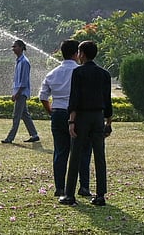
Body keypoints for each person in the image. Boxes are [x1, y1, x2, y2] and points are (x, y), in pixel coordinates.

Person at [59, 41, 112, 207]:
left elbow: (74, 99)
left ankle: (69, 195)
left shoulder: (78, 72)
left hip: (82, 117)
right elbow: (107, 100)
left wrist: (71, 121)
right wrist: (108, 123)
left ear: (82, 54)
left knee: (75, 155)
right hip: (98, 117)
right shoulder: (104, 74)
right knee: (99, 156)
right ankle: (100, 195)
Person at [38, 39, 92, 198]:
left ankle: (60, 187)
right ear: (77, 53)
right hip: (78, 114)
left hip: (58, 112)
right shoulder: (81, 72)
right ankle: (84, 187)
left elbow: (43, 96)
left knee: (60, 152)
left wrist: (51, 112)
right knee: (82, 151)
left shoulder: (52, 73)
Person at [1, 39, 40, 144]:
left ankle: (10, 138)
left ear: (21, 48)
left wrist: (17, 94)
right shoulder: (19, 61)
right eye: (13, 47)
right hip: (19, 92)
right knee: (24, 115)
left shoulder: (24, 62)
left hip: (21, 93)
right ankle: (34, 135)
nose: (13, 49)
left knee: (16, 116)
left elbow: (24, 81)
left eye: (15, 47)